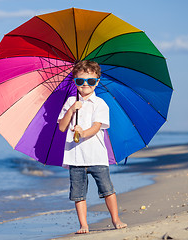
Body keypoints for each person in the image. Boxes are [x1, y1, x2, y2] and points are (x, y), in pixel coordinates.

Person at [58, 60, 127, 234]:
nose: (85, 85)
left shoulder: (100, 104)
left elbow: (97, 127)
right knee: (78, 194)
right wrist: (72, 110)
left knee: (107, 189)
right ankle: (84, 224)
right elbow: (61, 127)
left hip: (97, 156)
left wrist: (82, 133)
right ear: (75, 81)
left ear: (97, 81)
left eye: (90, 81)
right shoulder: (70, 103)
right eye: (80, 81)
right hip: (75, 157)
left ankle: (116, 219)